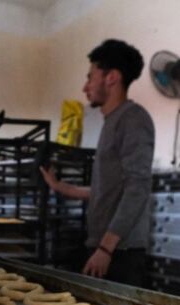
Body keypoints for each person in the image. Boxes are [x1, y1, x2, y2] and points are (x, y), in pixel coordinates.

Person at [41, 39, 154, 287]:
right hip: (106, 248)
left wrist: (106, 248)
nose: (85, 87)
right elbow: (106, 192)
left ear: (111, 77)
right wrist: (59, 186)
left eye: (90, 77)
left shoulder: (133, 119)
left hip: (120, 252)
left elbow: (138, 187)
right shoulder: (111, 122)